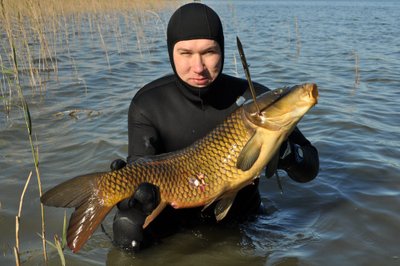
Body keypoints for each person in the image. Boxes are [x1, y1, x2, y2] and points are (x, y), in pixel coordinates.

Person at [110, 2, 319, 251]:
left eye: (209, 52)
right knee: (126, 228)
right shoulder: (148, 104)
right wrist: (134, 204)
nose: (198, 67)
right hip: (175, 225)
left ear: (222, 49)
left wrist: (286, 155)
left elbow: (310, 168)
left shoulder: (253, 99)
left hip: (243, 223)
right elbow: (141, 165)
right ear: (170, 52)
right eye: (185, 53)